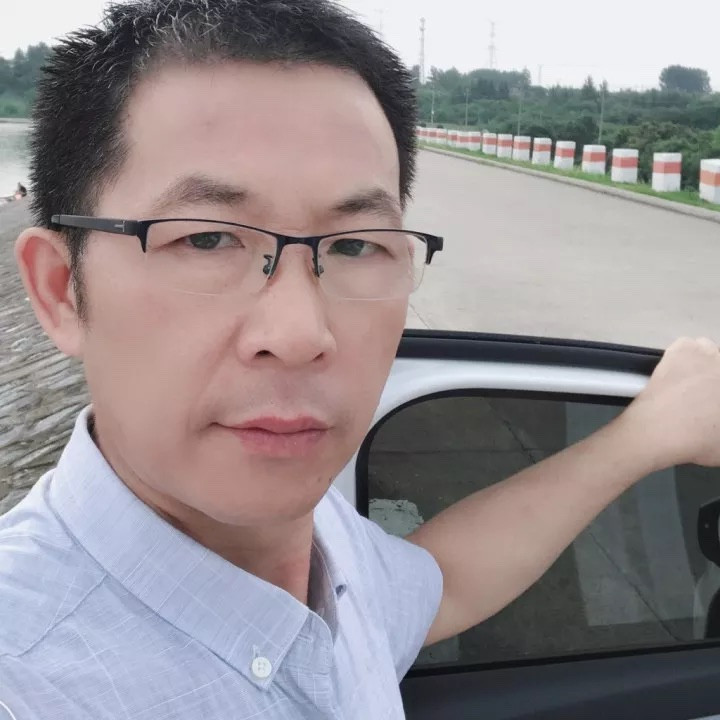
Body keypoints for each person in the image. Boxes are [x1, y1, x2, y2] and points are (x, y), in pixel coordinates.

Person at [1, 0, 720, 717]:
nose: (300, 332)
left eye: (353, 246)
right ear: (62, 290)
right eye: (207, 239)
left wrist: (642, 437)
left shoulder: (326, 542)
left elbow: (445, 581)